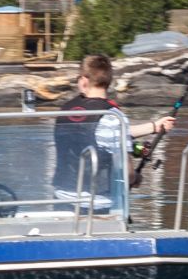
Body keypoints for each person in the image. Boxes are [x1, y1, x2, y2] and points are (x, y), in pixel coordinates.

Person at [45, 54, 175, 209]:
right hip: (97, 205)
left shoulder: (65, 111)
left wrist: (153, 127)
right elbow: (127, 173)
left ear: (84, 81)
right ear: (108, 81)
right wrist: (135, 178)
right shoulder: (113, 117)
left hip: (61, 198)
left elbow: (92, 133)